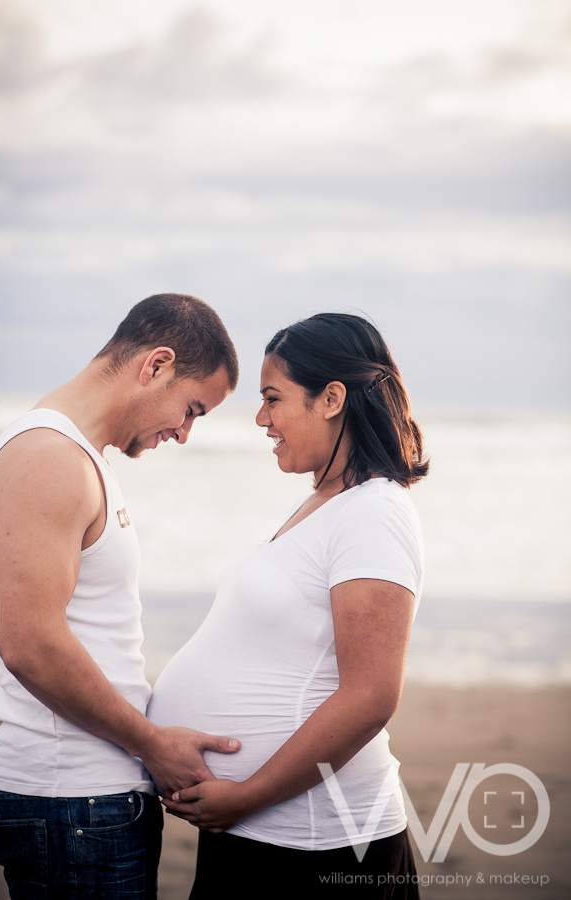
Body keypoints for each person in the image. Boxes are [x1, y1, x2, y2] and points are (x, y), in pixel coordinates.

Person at [147, 312, 429, 898]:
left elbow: (371, 695)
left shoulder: (374, 511)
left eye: (273, 399)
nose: (261, 419)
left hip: (315, 845)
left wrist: (246, 796)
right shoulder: (327, 504)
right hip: (263, 833)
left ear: (330, 399)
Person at [0, 293, 243, 899]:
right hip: (72, 805)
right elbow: (30, 645)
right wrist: (154, 746)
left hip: (82, 804)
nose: (185, 432)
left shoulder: (76, 455)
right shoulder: (51, 460)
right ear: (156, 365)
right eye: (192, 408)